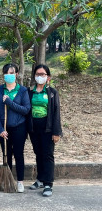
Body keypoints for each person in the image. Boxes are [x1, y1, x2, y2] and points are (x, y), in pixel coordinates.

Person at [0, 63, 31, 193]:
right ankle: (7, 180)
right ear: (4, 75)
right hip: (4, 129)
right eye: (7, 73)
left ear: (17, 74)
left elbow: (25, 110)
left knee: (19, 154)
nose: (9, 75)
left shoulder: (22, 90)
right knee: (6, 154)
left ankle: (20, 181)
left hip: (19, 127)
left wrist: (9, 102)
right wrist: (0, 129)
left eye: (12, 73)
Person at [27, 64, 62, 197]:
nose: (40, 76)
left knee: (48, 155)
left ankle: (48, 184)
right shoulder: (30, 92)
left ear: (48, 77)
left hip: (47, 128)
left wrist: (56, 132)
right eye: (37, 74)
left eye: (42, 74)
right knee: (38, 153)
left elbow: (56, 113)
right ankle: (40, 179)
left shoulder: (52, 93)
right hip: (34, 128)